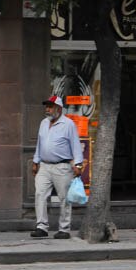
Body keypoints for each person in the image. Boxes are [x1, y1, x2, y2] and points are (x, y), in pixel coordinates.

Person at [31, 95, 84, 239]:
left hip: (62, 167)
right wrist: (36, 162)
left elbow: (76, 146)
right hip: (44, 166)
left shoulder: (68, 124)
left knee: (64, 199)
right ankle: (41, 226)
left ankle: (64, 229)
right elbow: (40, 144)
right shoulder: (43, 123)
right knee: (40, 194)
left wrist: (78, 165)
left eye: (50, 107)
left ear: (59, 109)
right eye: (46, 106)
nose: (47, 109)